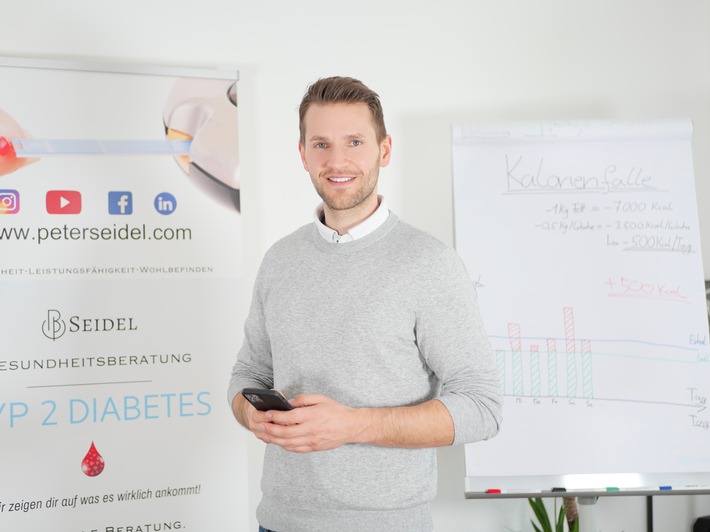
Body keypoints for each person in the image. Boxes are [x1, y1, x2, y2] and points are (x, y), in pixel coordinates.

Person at [228, 76, 502, 532]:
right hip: (278, 522)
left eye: (355, 142)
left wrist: (353, 425)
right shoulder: (279, 260)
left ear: (384, 150)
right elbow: (247, 374)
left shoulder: (429, 263)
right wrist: (251, 414)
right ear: (303, 154)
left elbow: (482, 408)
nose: (337, 161)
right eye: (321, 144)